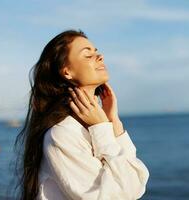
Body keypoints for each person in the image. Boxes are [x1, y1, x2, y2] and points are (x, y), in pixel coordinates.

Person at [12, 29, 150, 200]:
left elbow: (136, 185)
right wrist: (101, 128)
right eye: (87, 55)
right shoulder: (62, 134)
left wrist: (113, 123)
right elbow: (120, 195)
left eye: (96, 52)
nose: (100, 57)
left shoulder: (97, 127)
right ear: (67, 72)